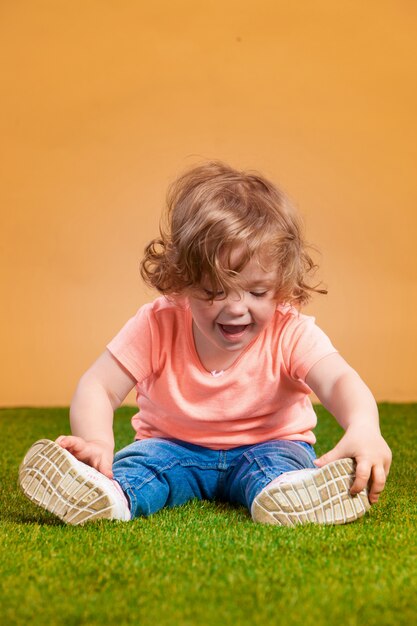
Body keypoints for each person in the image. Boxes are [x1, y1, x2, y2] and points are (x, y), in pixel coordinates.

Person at [19, 161, 392, 527]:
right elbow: (97, 386)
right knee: (138, 467)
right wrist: (97, 442)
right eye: (213, 292)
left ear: (281, 284)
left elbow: (339, 380)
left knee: (281, 466)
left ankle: (291, 493)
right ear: (182, 283)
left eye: (257, 291)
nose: (235, 308)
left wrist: (364, 427)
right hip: (171, 447)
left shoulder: (289, 329)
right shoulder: (157, 323)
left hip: (270, 445)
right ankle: (106, 495)